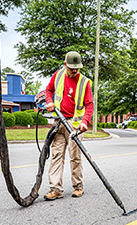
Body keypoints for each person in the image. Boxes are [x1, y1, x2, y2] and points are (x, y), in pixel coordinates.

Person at [43, 51, 94, 200]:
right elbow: (48, 90)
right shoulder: (58, 75)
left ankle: (78, 187)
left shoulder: (84, 82)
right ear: (65, 65)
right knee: (56, 156)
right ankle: (56, 190)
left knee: (75, 157)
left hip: (75, 125)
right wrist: (49, 101)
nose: (75, 71)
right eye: (72, 68)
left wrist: (85, 122)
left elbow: (89, 105)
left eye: (77, 68)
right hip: (59, 122)